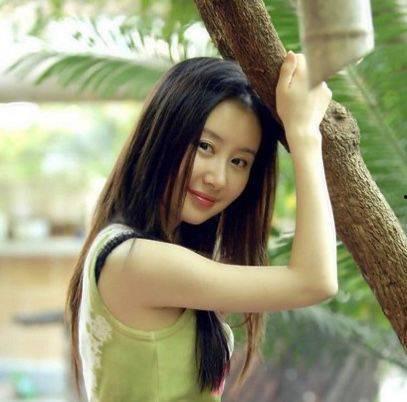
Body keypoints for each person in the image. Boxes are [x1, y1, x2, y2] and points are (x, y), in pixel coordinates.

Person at [65, 51, 337, 402]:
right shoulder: (135, 260)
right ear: (164, 133)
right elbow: (315, 281)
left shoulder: (132, 249)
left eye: (239, 161)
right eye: (206, 146)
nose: (218, 178)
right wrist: (304, 135)